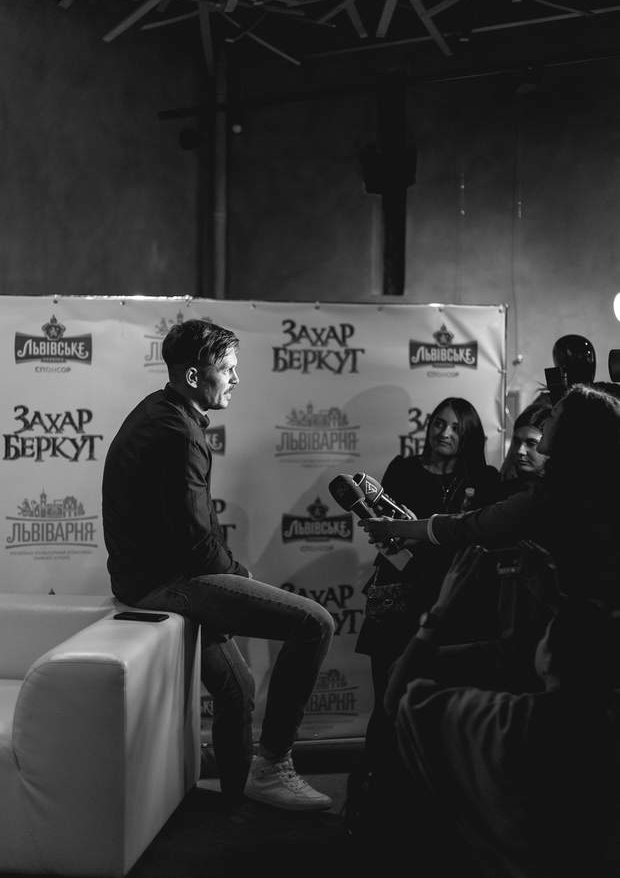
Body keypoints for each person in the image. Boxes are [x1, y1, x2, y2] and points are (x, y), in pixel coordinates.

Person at [102, 319, 335, 812]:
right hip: (165, 584)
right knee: (315, 624)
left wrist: (228, 572)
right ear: (193, 376)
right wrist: (238, 575)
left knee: (238, 688)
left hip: (151, 578)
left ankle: (235, 806)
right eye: (227, 369)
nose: (235, 378)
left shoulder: (161, 411)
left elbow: (189, 527)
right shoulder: (177, 432)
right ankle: (273, 766)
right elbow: (195, 542)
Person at [381, 548, 617, 878]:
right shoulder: (605, 721)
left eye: (546, 634)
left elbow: (398, 697)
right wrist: (556, 602)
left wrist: (438, 611)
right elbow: (596, 641)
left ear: (546, 661)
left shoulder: (508, 723)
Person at [359, 381, 620, 609]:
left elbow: (469, 527)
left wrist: (397, 527)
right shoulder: (570, 487)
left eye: (553, 415)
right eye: (438, 423)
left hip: (571, 618)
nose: (444, 433)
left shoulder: (551, 494)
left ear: (572, 429)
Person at [354, 396, 500, 778]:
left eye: (455, 427)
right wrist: (391, 536)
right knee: (388, 701)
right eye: (438, 422)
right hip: (398, 597)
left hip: (454, 604)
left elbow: (479, 539)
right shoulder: (402, 469)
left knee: (442, 708)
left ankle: (432, 797)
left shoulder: (486, 479)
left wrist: (420, 536)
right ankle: (375, 788)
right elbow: (384, 531)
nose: (444, 432)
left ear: (470, 435)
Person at [498, 394, 552, 498]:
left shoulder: (558, 493)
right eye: (517, 442)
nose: (520, 451)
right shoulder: (505, 487)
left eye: (531, 443)